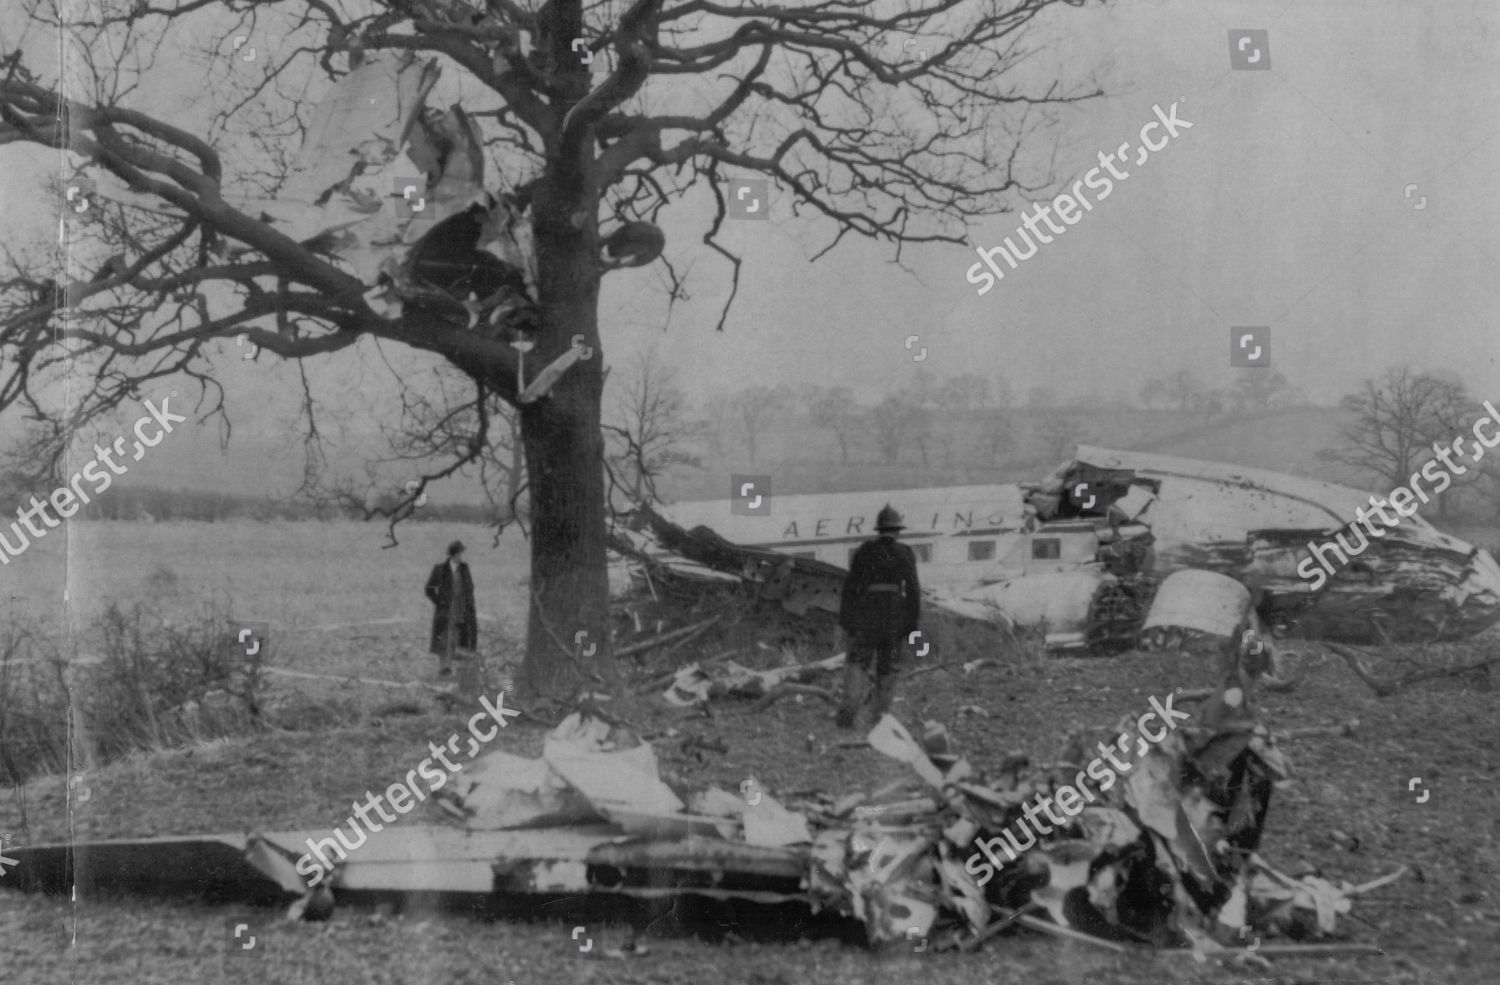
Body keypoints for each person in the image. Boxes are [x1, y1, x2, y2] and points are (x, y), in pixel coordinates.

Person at [837, 504, 921, 729]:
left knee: (856, 663)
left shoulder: (864, 550)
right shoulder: (905, 552)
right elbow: (913, 590)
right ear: (897, 530)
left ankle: (848, 713)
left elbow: (850, 588)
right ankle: (880, 719)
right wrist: (911, 626)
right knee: (888, 668)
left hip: (866, 616)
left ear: (879, 529)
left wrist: (847, 621)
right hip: (894, 619)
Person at [426, 541, 477, 677]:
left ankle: (455, 668)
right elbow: (429, 589)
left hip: (461, 610)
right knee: (444, 638)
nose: (461, 556)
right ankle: (445, 666)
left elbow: (470, 588)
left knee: (458, 638)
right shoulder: (440, 569)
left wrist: (468, 606)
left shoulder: (465, 569)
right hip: (445, 611)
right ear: (454, 554)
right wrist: (439, 603)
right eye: (460, 553)